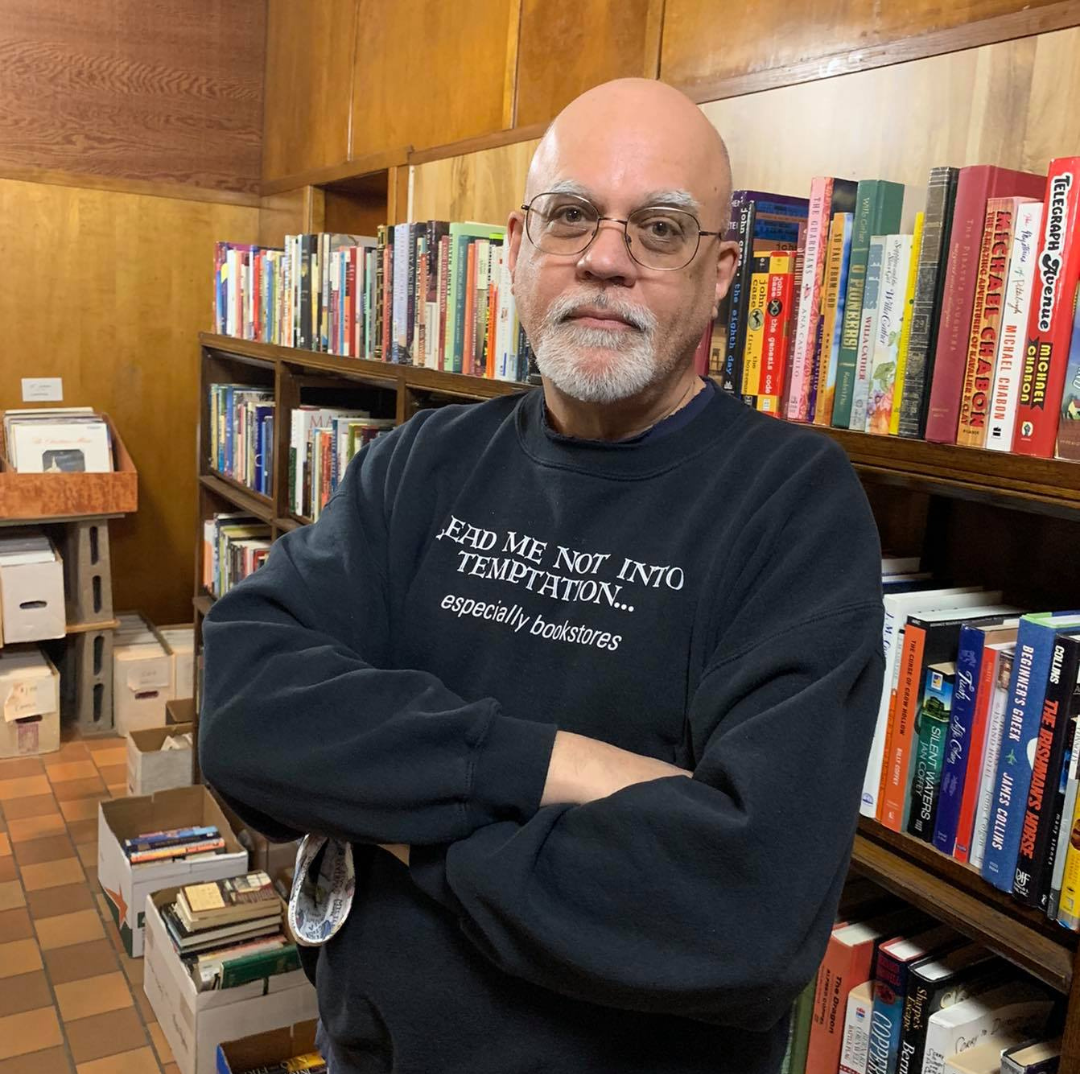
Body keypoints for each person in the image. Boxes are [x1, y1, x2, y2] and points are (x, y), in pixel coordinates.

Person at [200, 77, 885, 1074]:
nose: (605, 259)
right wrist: (558, 767)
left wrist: (400, 827)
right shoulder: (422, 462)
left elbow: (747, 909)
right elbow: (245, 711)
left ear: (720, 273)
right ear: (520, 244)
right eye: (570, 215)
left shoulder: (793, 505)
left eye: (659, 228)